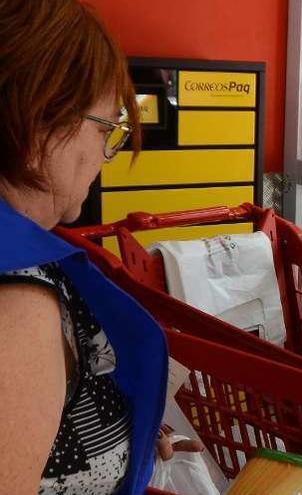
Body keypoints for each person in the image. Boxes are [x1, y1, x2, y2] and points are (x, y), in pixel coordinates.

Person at [0, 1, 171, 493]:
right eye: (106, 129)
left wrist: (116, 432)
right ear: (42, 117)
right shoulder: (18, 304)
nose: (106, 156)